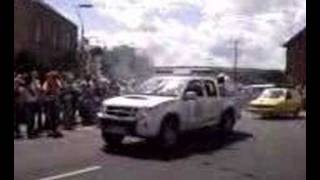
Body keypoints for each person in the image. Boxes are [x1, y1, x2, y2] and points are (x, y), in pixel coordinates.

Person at [42, 71, 63, 138]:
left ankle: (56, 130)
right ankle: (51, 130)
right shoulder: (46, 83)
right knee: (50, 116)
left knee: (56, 116)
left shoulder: (57, 82)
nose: (52, 78)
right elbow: (44, 91)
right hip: (49, 101)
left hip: (55, 100)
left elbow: (60, 90)